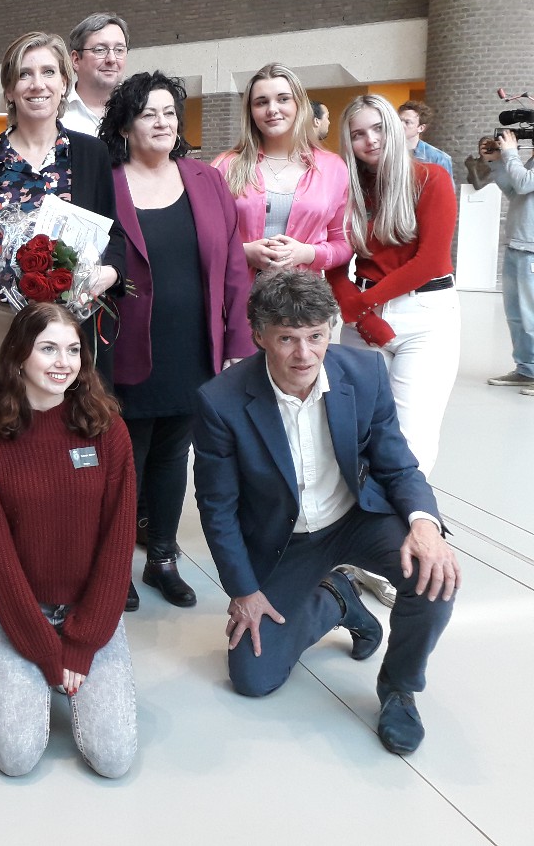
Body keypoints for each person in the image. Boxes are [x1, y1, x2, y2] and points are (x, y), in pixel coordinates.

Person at [192, 270, 459, 755]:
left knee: (434, 575)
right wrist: (244, 591)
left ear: (330, 329)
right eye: (288, 339)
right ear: (259, 337)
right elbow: (217, 508)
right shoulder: (221, 402)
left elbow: (397, 463)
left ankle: (399, 689)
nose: (305, 353)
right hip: (285, 540)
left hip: (356, 517)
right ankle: (337, 598)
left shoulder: (365, 373)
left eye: (316, 336)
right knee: (253, 677)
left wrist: (425, 523)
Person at [0, 301, 138, 779]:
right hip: (20, 608)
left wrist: (81, 644)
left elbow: (119, 545)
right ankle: (40, 669)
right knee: (16, 759)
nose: (64, 362)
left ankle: (71, 668)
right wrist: (42, 646)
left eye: (73, 350)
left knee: (115, 759)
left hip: (90, 606)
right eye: (49, 349)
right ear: (18, 355)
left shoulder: (108, 430)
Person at [100, 71, 254, 610]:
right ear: (124, 124)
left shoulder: (205, 179)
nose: (163, 122)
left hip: (195, 346)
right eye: (149, 113)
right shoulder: (106, 179)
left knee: (173, 458)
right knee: (124, 464)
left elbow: (234, 265)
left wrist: (239, 341)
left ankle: (161, 556)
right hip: (123, 348)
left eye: (170, 112)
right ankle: (112, 566)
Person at [0, 30, 126, 415]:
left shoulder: (91, 154)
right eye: (24, 74)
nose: (37, 84)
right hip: (3, 326)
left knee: (74, 436)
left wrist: (110, 274)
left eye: (49, 72)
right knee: (8, 439)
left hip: (73, 329)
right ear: (9, 90)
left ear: (65, 83)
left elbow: (116, 236)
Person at [326, 94, 459, 479]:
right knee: (354, 427)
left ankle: (405, 527)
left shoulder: (431, 178)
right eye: (358, 134)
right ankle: (361, 522)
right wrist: (357, 311)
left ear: (397, 127)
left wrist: (361, 305)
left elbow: (430, 261)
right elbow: (335, 257)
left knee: (411, 436)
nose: (371, 140)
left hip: (424, 316)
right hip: (363, 314)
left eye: (379, 127)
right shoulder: (349, 191)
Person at [212, 63, 352, 283]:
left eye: (283, 99)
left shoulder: (332, 168)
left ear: (299, 105)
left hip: (301, 303)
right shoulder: (225, 166)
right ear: (250, 111)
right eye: (261, 102)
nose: (272, 109)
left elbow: (343, 244)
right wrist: (244, 252)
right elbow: (203, 238)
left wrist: (306, 253)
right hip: (236, 299)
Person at [480, 130, 534, 390]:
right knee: (516, 316)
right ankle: (527, 369)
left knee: (532, 316)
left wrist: (511, 152)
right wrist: (497, 162)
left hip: (532, 250)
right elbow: (516, 192)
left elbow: (524, 183)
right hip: (517, 245)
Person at [61, 12, 128, 135]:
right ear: (76, 60)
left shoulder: (138, 110)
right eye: (100, 50)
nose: (112, 59)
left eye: (119, 50)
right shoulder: (55, 115)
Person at [398, 100, 455, 180]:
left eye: (407, 122)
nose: (400, 125)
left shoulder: (439, 158)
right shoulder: (387, 152)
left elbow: (445, 191)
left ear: (421, 128)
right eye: (399, 120)